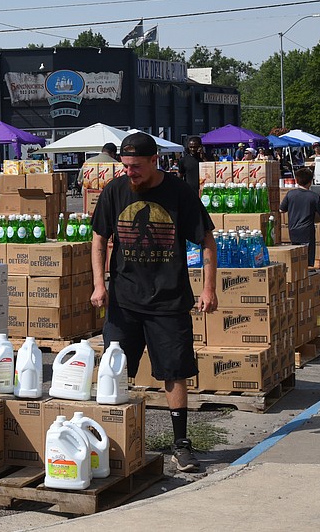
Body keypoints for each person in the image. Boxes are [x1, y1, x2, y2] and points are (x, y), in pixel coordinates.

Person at [89, 132, 217, 473]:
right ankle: (108, 441)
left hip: (168, 300)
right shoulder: (114, 191)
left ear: (154, 160)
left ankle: (181, 445)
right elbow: (99, 238)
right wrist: (99, 284)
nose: (130, 172)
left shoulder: (178, 193)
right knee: (114, 371)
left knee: (174, 373)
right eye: (126, 166)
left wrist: (209, 289)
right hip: (124, 301)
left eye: (136, 167)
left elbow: (206, 239)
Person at [280, 167, 320, 266]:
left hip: (293, 230)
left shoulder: (290, 194)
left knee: (296, 255)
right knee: (308, 255)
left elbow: (281, 209)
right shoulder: (313, 196)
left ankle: (299, 273)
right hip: (307, 230)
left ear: (297, 181)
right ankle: (308, 272)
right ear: (310, 182)